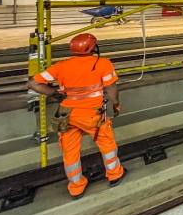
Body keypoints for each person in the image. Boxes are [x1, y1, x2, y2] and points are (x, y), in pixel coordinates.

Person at [26, 33, 126, 199]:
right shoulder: (102, 63)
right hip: (92, 115)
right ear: (93, 48)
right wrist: (116, 104)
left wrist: (53, 93)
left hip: (67, 115)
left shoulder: (62, 66)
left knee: (70, 151)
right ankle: (115, 175)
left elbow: (33, 83)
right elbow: (111, 88)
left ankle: (76, 186)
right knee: (107, 144)